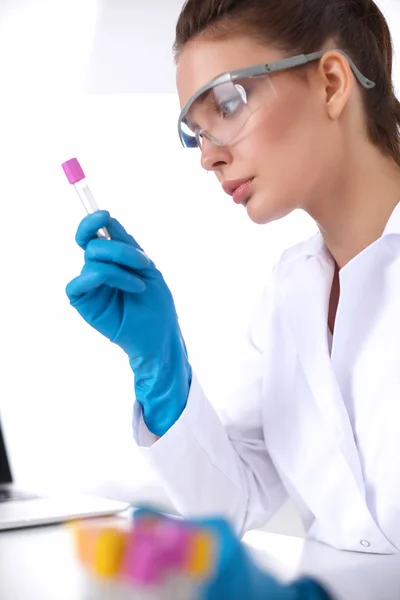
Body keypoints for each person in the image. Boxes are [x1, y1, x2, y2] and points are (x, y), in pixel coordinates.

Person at [66, 0, 400, 557]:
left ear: (331, 82)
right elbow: (231, 506)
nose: (207, 157)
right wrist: (161, 370)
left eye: (226, 103)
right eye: (194, 132)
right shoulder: (290, 293)